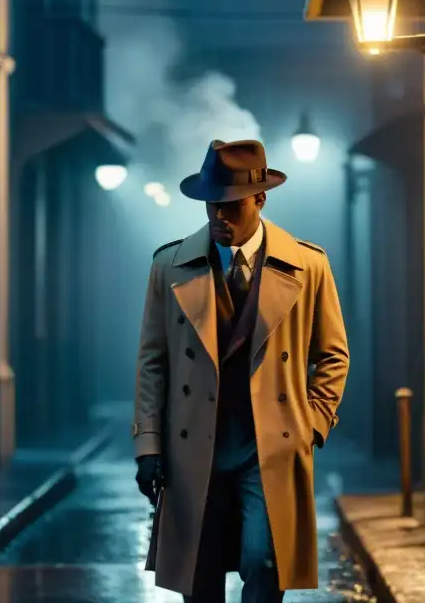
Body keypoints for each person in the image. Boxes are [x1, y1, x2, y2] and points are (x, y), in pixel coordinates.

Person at [132, 139, 350, 603]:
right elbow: (153, 361)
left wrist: (310, 424)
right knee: (200, 572)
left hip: (268, 444)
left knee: (263, 561)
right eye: (212, 205)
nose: (219, 217)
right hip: (195, 443)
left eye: (230, 206)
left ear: (260, 200)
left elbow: (332, 355)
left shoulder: (309, 265)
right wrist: (148, 444)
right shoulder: (169, 265)